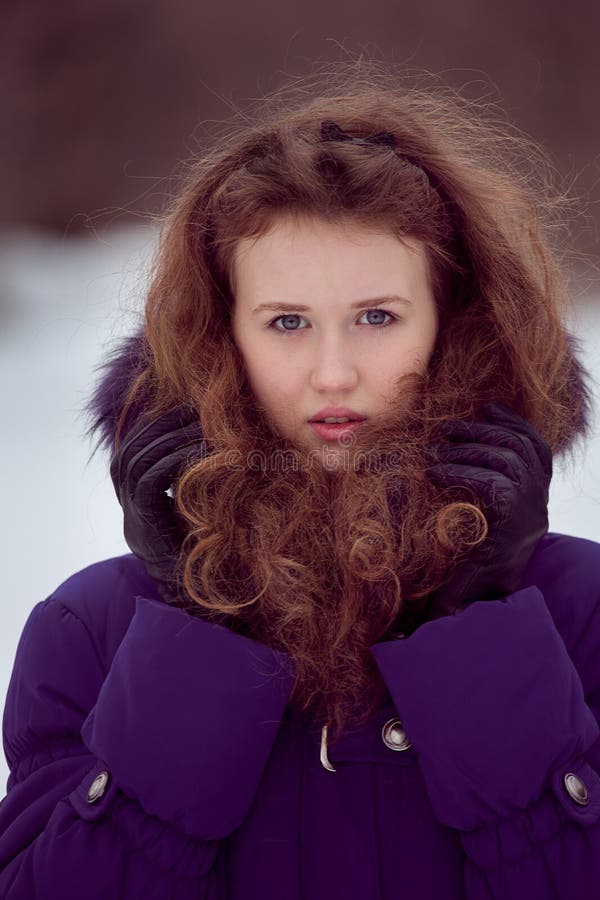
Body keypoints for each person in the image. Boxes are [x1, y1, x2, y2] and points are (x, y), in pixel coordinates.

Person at [1, 58, 599, 899]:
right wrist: (196, 617)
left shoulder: (584, 611)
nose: (332, 373)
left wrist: (486, 617)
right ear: (221, 338)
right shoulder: (90, 632)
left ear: (454, 324)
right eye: (287, 322)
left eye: (378, 318)